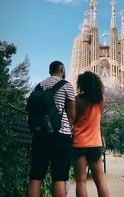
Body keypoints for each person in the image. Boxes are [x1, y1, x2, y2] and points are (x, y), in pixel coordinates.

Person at [27, 61, 76, 197]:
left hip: (40, 134)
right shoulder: (66, 85)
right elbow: (72, 114)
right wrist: (69, 127)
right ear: (62, 69)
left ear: (49, 71)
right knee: (59, 177)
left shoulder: (39, 86)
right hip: (60, 135)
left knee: (36, 176)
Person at [73, 71, 110, 197]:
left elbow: (73, 119)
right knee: (100, 180)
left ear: (82, 84)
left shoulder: (77, 100)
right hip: (95, 143)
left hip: (79, 143)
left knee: (81, 181)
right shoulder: (101, 101)